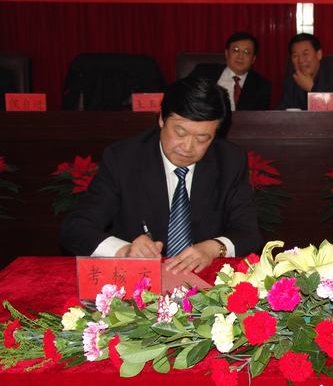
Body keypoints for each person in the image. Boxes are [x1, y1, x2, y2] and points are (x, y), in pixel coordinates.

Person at [60, 76, 262, 273]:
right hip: (138, 280)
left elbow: (249, 232)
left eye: (202, 139)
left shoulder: (229, 161)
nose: (187, 147)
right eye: (180, 133)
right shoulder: (123, 159)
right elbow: (76, 227)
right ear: (161, 119)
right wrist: (124, 250)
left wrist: (213, 248)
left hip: (204, 280)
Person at [190, 32, 271, 111]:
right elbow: (186, 98)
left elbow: (258, 118)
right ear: (227, 53)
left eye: (246, 52)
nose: (240, 56)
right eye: (236, 50)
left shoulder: (261, 86)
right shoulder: (203, 71)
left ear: (253, 59)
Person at [277, 33, 333, 110]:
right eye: (295, 56)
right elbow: (281, 111)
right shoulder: (292, 78)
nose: (300, 60)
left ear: (319, 54)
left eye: (305, 54)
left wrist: (312, 88)